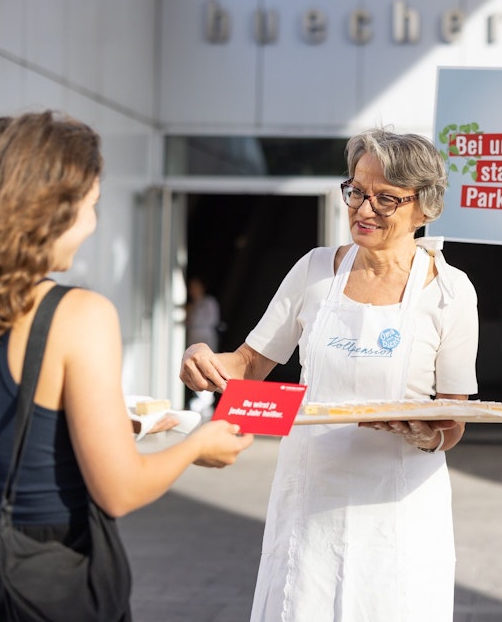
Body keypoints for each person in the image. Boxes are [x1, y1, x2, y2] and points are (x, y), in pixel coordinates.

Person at [0, 110, 255, 620]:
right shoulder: (78, 314)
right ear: (53, 209)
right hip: (50, 578)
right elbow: (120, 491)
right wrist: (198, 444)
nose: (93, 224)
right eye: (91, 205)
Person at [180, 127, 479, 621]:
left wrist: (428, 435)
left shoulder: (449, 291)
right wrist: (205, 358)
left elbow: (454, 418)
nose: (363, 210)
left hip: (397, 509)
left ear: (424, 209)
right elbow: (251, 363)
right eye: (356, 192)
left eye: (385, 199)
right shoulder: (316, 270)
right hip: (310, 500)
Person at [185, 276, 222, 415]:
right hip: (193, 337)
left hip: (206, 337)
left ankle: (206, 398)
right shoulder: (192, 304)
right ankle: (200, 397)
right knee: (193, 366)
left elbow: (212, 320)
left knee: (207, 365)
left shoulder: (209, 302)